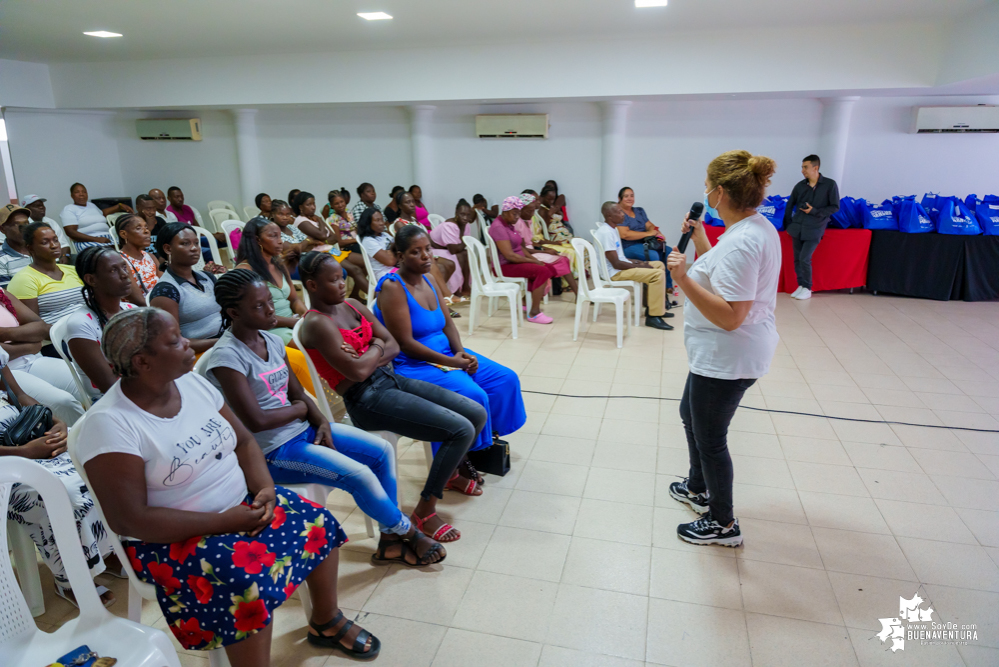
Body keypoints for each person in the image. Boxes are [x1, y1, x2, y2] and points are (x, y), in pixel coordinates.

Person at [77, 308, 379, 664]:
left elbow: (245, 442)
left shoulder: (191, 382)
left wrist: (264, 488)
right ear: (142, 361)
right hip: (171, 540)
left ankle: (326, 620)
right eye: (175, 340)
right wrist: (227, 522)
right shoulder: (111, 424)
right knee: (241, 582)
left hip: (240, 507)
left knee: (317, 522)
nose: (188, 342)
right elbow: (131, 520)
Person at [208, 270, 445, 567]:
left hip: (301, 431)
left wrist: (319, 419)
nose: (271, 310)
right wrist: (301, 410)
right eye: (259, 306)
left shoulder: (271, 340)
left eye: (270, 301)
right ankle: (407, 531)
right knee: (358, 475)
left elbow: (298, 392)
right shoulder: (227, 358)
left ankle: (389, 542)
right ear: (233, 312)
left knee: (382, 452)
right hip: (272, 451)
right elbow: (257, 421)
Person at [298, 251, 487, 542]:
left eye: (342, 278)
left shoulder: (353, 304)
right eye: (333, 280)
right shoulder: (317, 323)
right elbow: (359, 374)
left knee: (475, 413)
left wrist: (369, 351)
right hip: (365, 399)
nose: (341, 284)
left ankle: (447, 474)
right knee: (459, 429)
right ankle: (425, 509)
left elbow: (394, 346)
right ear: (312, 286)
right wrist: (376, 345)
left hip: (390, 379)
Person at [665, 150, 780, 547]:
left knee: (711, 437)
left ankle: (722, 522)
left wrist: (682, 278)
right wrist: (699, 239)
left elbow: (733, 314)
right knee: (689, 414)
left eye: (705, 186)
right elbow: (721, 270)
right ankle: (697, 486)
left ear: (717, 192)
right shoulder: (751, 227)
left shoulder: (742, 243)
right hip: (718, 353)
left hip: (729, 353)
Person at [376, 226, 526, 494]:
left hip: (446, 354)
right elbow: (406, 345)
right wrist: (455, 363)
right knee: (472, 394)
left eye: (427, 250)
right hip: (414, 364)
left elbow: (448, 324)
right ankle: (454, 463)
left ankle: (478, 442)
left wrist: (461, 354)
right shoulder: (392, 287)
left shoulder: (429, 279)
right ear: (400, 255)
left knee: (505, 379)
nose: (426, 257)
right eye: (416, 252)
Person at [1, 348, 118, 608]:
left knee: (97, 465)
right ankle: (71, 579)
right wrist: (23, 453)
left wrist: (54, 422)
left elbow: (18, 395)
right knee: (62, 491)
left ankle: (106, 551)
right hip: (6, 459)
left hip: (22, 434)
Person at [0, 287, 86, 424]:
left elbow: (40, 326)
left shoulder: (1, 293)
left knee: (86, 382)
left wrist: (3, 333)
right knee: (64, 402)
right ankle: (82, 441)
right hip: (5, 374)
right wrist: (30, 345)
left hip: (32, 359)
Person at [65, 246, 139, 400]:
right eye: (113, 270)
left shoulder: (133, 310)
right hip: (116, 401)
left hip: (148, 387)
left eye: (124, 267)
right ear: (91, 280)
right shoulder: (81, 324)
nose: (125, 275)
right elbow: (111, 387)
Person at [595, 202, 675, 331]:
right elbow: (616, 263)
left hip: (619, 267)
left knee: (659, 265)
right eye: (619, 212)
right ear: (609, 216)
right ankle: (653, 318)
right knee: (657, 274)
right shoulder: (606, 233)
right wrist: (640, 267)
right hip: (614, 273)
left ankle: (655, 308)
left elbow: (621, 258)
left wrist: (639, 263)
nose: (623, 215)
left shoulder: (612, 229)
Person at [149, 224, 223, 354]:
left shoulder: (207, 277)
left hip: (223, 342)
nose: (194, 248)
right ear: (168, 249)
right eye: (185, 243)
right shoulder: (165, 291)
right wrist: (221, 342)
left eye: (196, 243)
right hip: (197, 354)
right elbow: (172, 341)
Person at [234, 218, 307, 345]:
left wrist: (306, 315)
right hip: (267, 329)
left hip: (291, 322)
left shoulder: (278, 264)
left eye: (280, 236)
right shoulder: (245, 271)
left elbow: (294, 300)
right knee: (312, 346)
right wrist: (294, 322)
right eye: (273, 236)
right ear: (257, 240)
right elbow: (255, 315)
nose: (280, 242)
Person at [489, 196, 559, 324]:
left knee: (549, 268)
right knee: (542, 272)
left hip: (514, 262)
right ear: (505, 212)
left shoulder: (509, 224)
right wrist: (533, 262)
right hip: (505, 266)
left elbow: (520, 247)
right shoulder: (499, 227)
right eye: (514, 214)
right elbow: (510, 255)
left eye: (519, 213)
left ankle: (526, 302)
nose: (517, 217)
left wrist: (532, 259)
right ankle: (534, 313)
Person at [783, 154, 840, 301]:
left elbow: (835, 206)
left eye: (805, 167)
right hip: (797, 227)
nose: (802, 170)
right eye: (802, 167)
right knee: (797, 259)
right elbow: (790, 205)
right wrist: (788, 225)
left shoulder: (829, 185)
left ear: (816, 168)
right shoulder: (800, 186)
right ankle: (801, 285)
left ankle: (807, 287)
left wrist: (815, 211)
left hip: (815, 228)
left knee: (804, 258)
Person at [8, 223, 85, 324]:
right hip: (56, 336)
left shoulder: (73, 270)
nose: (54, 245)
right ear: (30, 248)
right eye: (45, 242)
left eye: (56, 240)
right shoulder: (24, 279)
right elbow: (32, 325)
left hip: (90, 328)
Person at [390, 191, 458, 307]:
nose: (412, 205)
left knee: (450, 264)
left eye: (412, 202)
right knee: (433, 265)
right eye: (407, 202)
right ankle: (446, 295)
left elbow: (427, 240)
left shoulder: (416, 222)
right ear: (400, 206)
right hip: (413, 256)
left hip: (424, 253)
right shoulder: (399, 223)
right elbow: (411, 243)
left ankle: (435, 295)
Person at [617, 186, 677, 298]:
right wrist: (648, 233)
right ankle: (653, 291)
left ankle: (667, 285)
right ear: (619, 198)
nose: (630, 198)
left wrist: (657, 233)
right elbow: (625, 234)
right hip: (628, 246)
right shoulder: (619, 214)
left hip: (644, 243)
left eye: (632, 195)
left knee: (668, 251)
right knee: (653, 255)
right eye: (626, 196)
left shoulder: (639, 211)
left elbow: (650, 225)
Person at [516, 194, 577, 296]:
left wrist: (544, 248)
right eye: (529, 211)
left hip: (532, 251)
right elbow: (523, 248)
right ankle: (575, 292)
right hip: (526, 255)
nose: (532, 214)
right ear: (520, 210)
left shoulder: (528, 220)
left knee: (564, 259)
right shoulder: (518, 223)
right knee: (561, 260)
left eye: (533, 210)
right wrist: (544, 251)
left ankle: (576, 292)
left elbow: (530, 243)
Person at [60, 183, 130, 250]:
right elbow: (71, 232)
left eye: (84, 192)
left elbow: (102, 214)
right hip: (88, 241)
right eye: (77, 192)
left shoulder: (91, 205)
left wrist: (119, 206)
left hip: (108, 239)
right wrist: (96, 239)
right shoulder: (69, 209)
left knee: (130, 244)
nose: (81, 194)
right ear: (72, 195)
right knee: (114, 251)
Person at [430, 199, 474, 295]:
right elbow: (454, 249)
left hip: (447, 248)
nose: (465, 217)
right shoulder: (449, 225)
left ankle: (466, 286)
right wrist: (464, 242)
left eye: (468, 215)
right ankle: (456, 289)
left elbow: (464, 244)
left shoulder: (466, 225)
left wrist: (463, 243)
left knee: (466, 254)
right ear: (456, 213)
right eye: (462, 214)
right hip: (434, 250)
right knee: (458, 256)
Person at [116, 213, 161, 303]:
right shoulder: (120, 261)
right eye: (138, 228)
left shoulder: (150, 257)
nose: (146, 231)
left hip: (160, 304)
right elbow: (138, 301)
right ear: (124, 234)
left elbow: (166, 284)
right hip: (141, 310)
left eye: (146, 227)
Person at [357, 208, 396, 285]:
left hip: (397, 268)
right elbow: (390, 261)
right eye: (377, 220)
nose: (382, 223)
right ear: (368, 223)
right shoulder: (368, 241)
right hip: (385, 274)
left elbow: (401, 249)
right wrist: (395, 251)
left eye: (382, 219)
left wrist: (390, 252)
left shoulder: (385, 235)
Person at [0, 204, 33, 287]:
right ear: (3, 229)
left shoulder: (39, 249)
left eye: (26, 223)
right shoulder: (1, 259)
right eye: (16, 224)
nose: (24, 228)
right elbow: (6, 296)